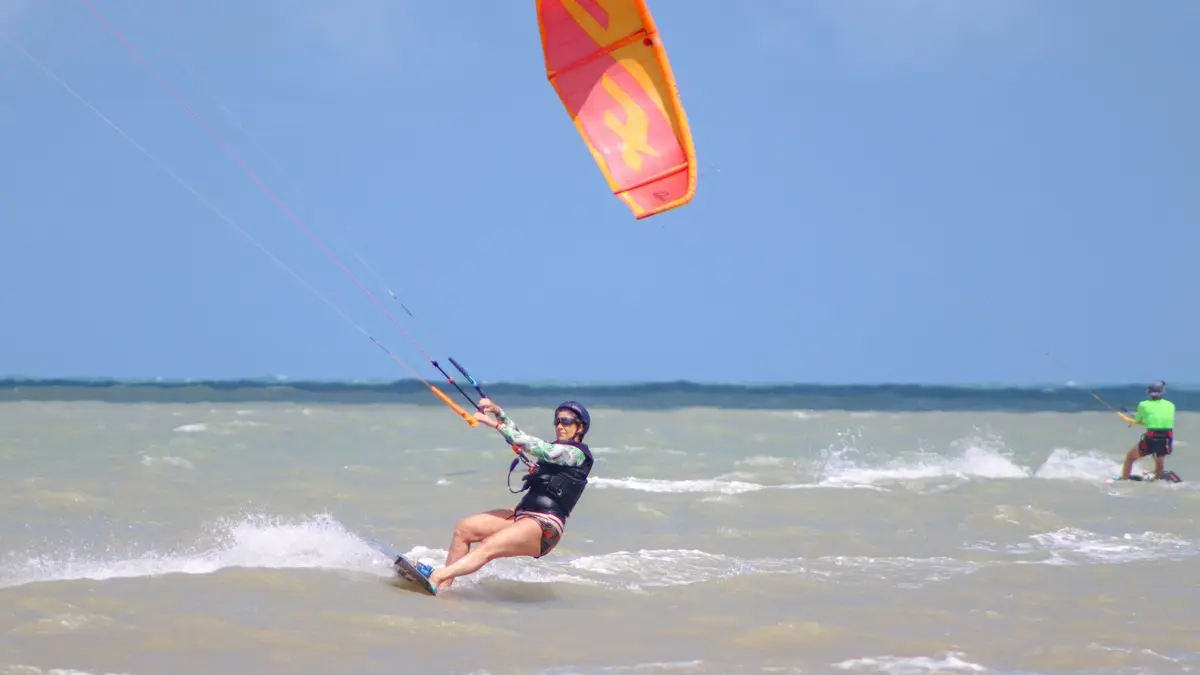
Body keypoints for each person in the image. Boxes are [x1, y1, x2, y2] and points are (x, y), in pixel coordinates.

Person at [412, 398, 594, 593]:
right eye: (557, 421)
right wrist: (499, 413)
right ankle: (443, 587)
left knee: (488, 546)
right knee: (464, 529)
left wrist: (497, 425)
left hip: (545, 525)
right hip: (523, 515)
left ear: (580, 428)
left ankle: (438, 576)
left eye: (566, 421)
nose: (560, 426)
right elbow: (522, 437)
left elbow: (542, 449)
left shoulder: (577, 454)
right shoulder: (558, 450)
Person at [1120, 380, 1176, 480]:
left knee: (1129, 458)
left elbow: (1137, 420)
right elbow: (1161, 420)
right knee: (1159, 460)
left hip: (1152, 438)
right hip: (1167, 439)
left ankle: (1124, 480)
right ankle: (1157, 480)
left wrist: (1131, 419)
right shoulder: (1171, 405)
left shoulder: (1143, 404)